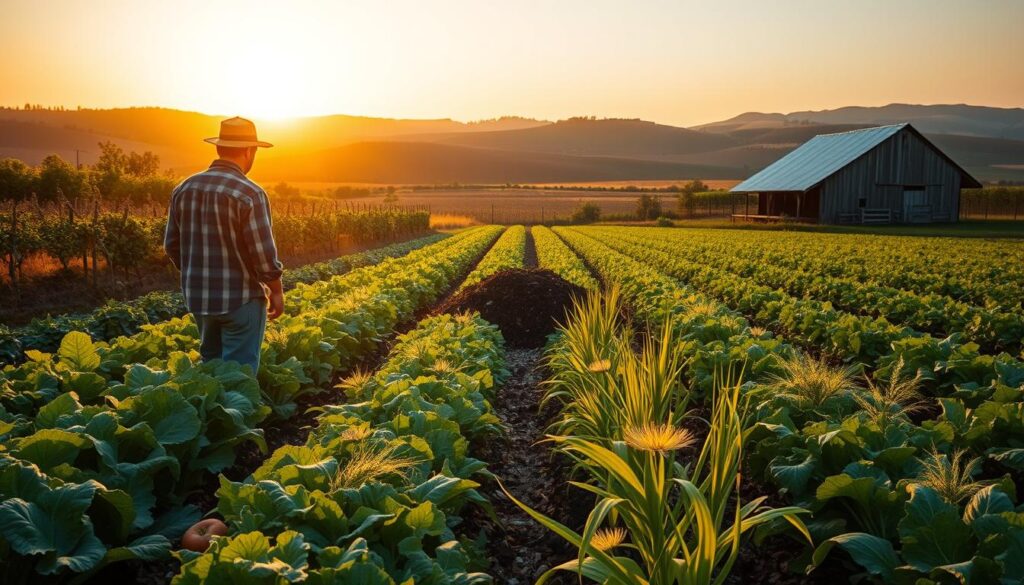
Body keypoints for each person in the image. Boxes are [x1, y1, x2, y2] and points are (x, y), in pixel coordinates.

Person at [163, 116, 284, 373]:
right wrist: (276, 290)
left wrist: (195, 272)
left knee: (211, 368)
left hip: (198, 299)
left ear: (219, 147)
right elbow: (263, 255)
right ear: (249, 151)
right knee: (238, 375)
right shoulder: (249, 193)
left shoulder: (184, 188)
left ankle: (213, 414)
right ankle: (237, 412)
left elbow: (171, 245)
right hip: (240, 298)